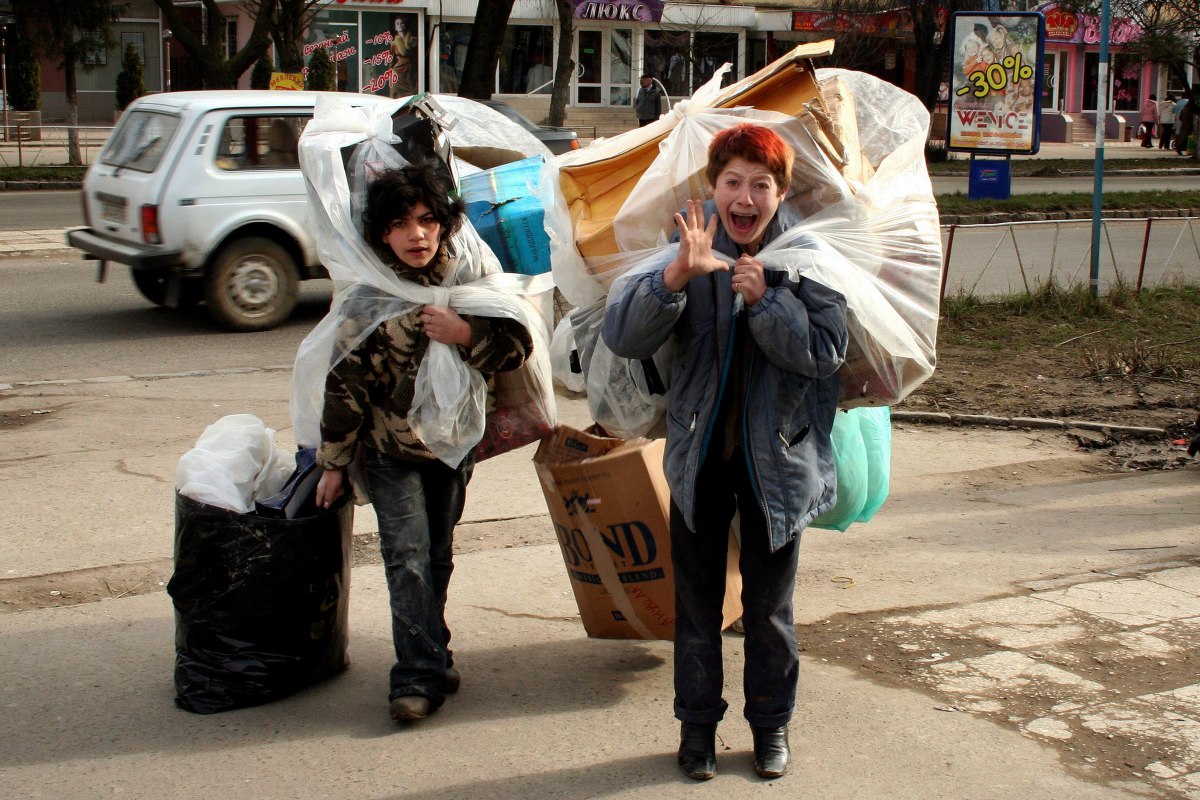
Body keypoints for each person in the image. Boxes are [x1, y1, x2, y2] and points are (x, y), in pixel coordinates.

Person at [601, 124, 848, 780]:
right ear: (714, 186)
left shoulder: (806, 254)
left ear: (780, 192)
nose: (744, 197)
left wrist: (766, 302)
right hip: (698, 457)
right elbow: (622, 336)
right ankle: (697, 729)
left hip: (780, 463)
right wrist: (675, 277)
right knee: (697, 604)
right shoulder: (686, 241)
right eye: (732, 182)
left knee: (768, 609)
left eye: (759, 185)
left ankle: (771, 727)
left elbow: (826, 354)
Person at [314, 163, 534, 723]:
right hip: (390, 452)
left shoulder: (469, 278)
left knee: (436, 554)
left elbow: (517, 345)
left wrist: (465, 334)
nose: (416, 234)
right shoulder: (370, 297)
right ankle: (414, 678)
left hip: (453, 448)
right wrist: (334, 464)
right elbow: (344, 383)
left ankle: (432, 652)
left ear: (444, 224)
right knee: (405, 557)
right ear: (381, 233)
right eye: (400, 224)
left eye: (427, 220)